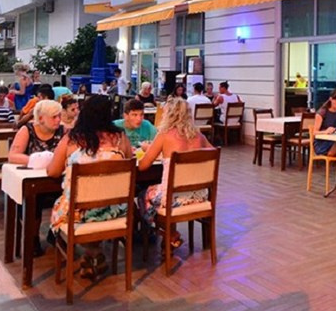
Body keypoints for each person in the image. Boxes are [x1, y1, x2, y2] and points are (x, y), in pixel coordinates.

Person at [47, 95, 133, 278]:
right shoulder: (120, 138)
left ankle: (90, 253)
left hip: (79, 213)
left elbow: (53, 172)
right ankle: (93, 253)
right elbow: (129, 163)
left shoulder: (71, 139)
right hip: (115, 210)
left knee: (60, 207)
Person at [137, 98, 213, 249]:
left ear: (168, 114)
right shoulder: (200, 136)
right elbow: (213, 155)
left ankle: (165, 233)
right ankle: (170, 234)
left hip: (172, 198)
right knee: (157, 193)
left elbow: (143, 166)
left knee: (142, 195)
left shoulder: (164, 135)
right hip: (199, 196)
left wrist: (149, 150)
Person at [9, 99, 65, 165]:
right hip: (32, 169)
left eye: (59, 116)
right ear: (41, 118)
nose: (58, 120)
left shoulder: (64, 131)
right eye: (54, 117)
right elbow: (13, 156)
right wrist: (40, 161)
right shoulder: (27, 130)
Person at [311, 90, 336, 157]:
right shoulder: (322, 112)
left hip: (335, 140)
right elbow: (314, 132)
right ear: (331, 99)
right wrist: (326, 131)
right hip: (322, 143)